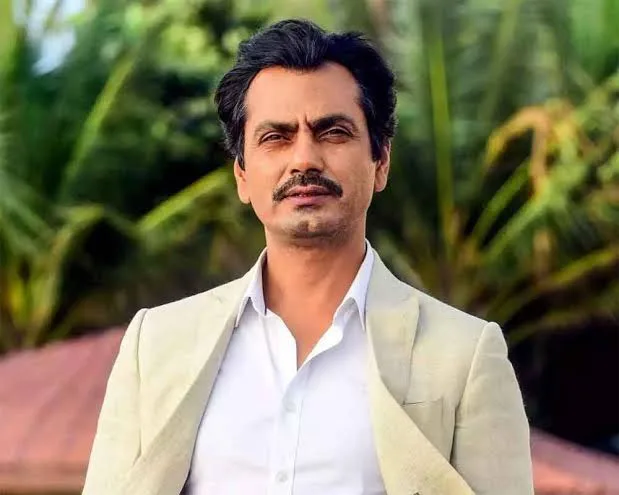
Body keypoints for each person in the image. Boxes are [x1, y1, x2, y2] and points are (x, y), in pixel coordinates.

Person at [83, 19, 533, 495]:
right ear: (241, 175)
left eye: (333, 132)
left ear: (380, 162)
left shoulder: (464, 355)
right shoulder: (155, 345)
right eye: (275, 137)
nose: (303, 159)